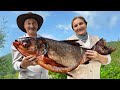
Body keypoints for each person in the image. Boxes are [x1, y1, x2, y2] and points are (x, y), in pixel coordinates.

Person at [11, 12, 49, 79]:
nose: (31, 26)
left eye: (34, 23)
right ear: (24, 26)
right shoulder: (18, 43)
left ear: (37, 26)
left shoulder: (45, 41)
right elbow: (15, 64)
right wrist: (22, 65)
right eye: (28, 23)